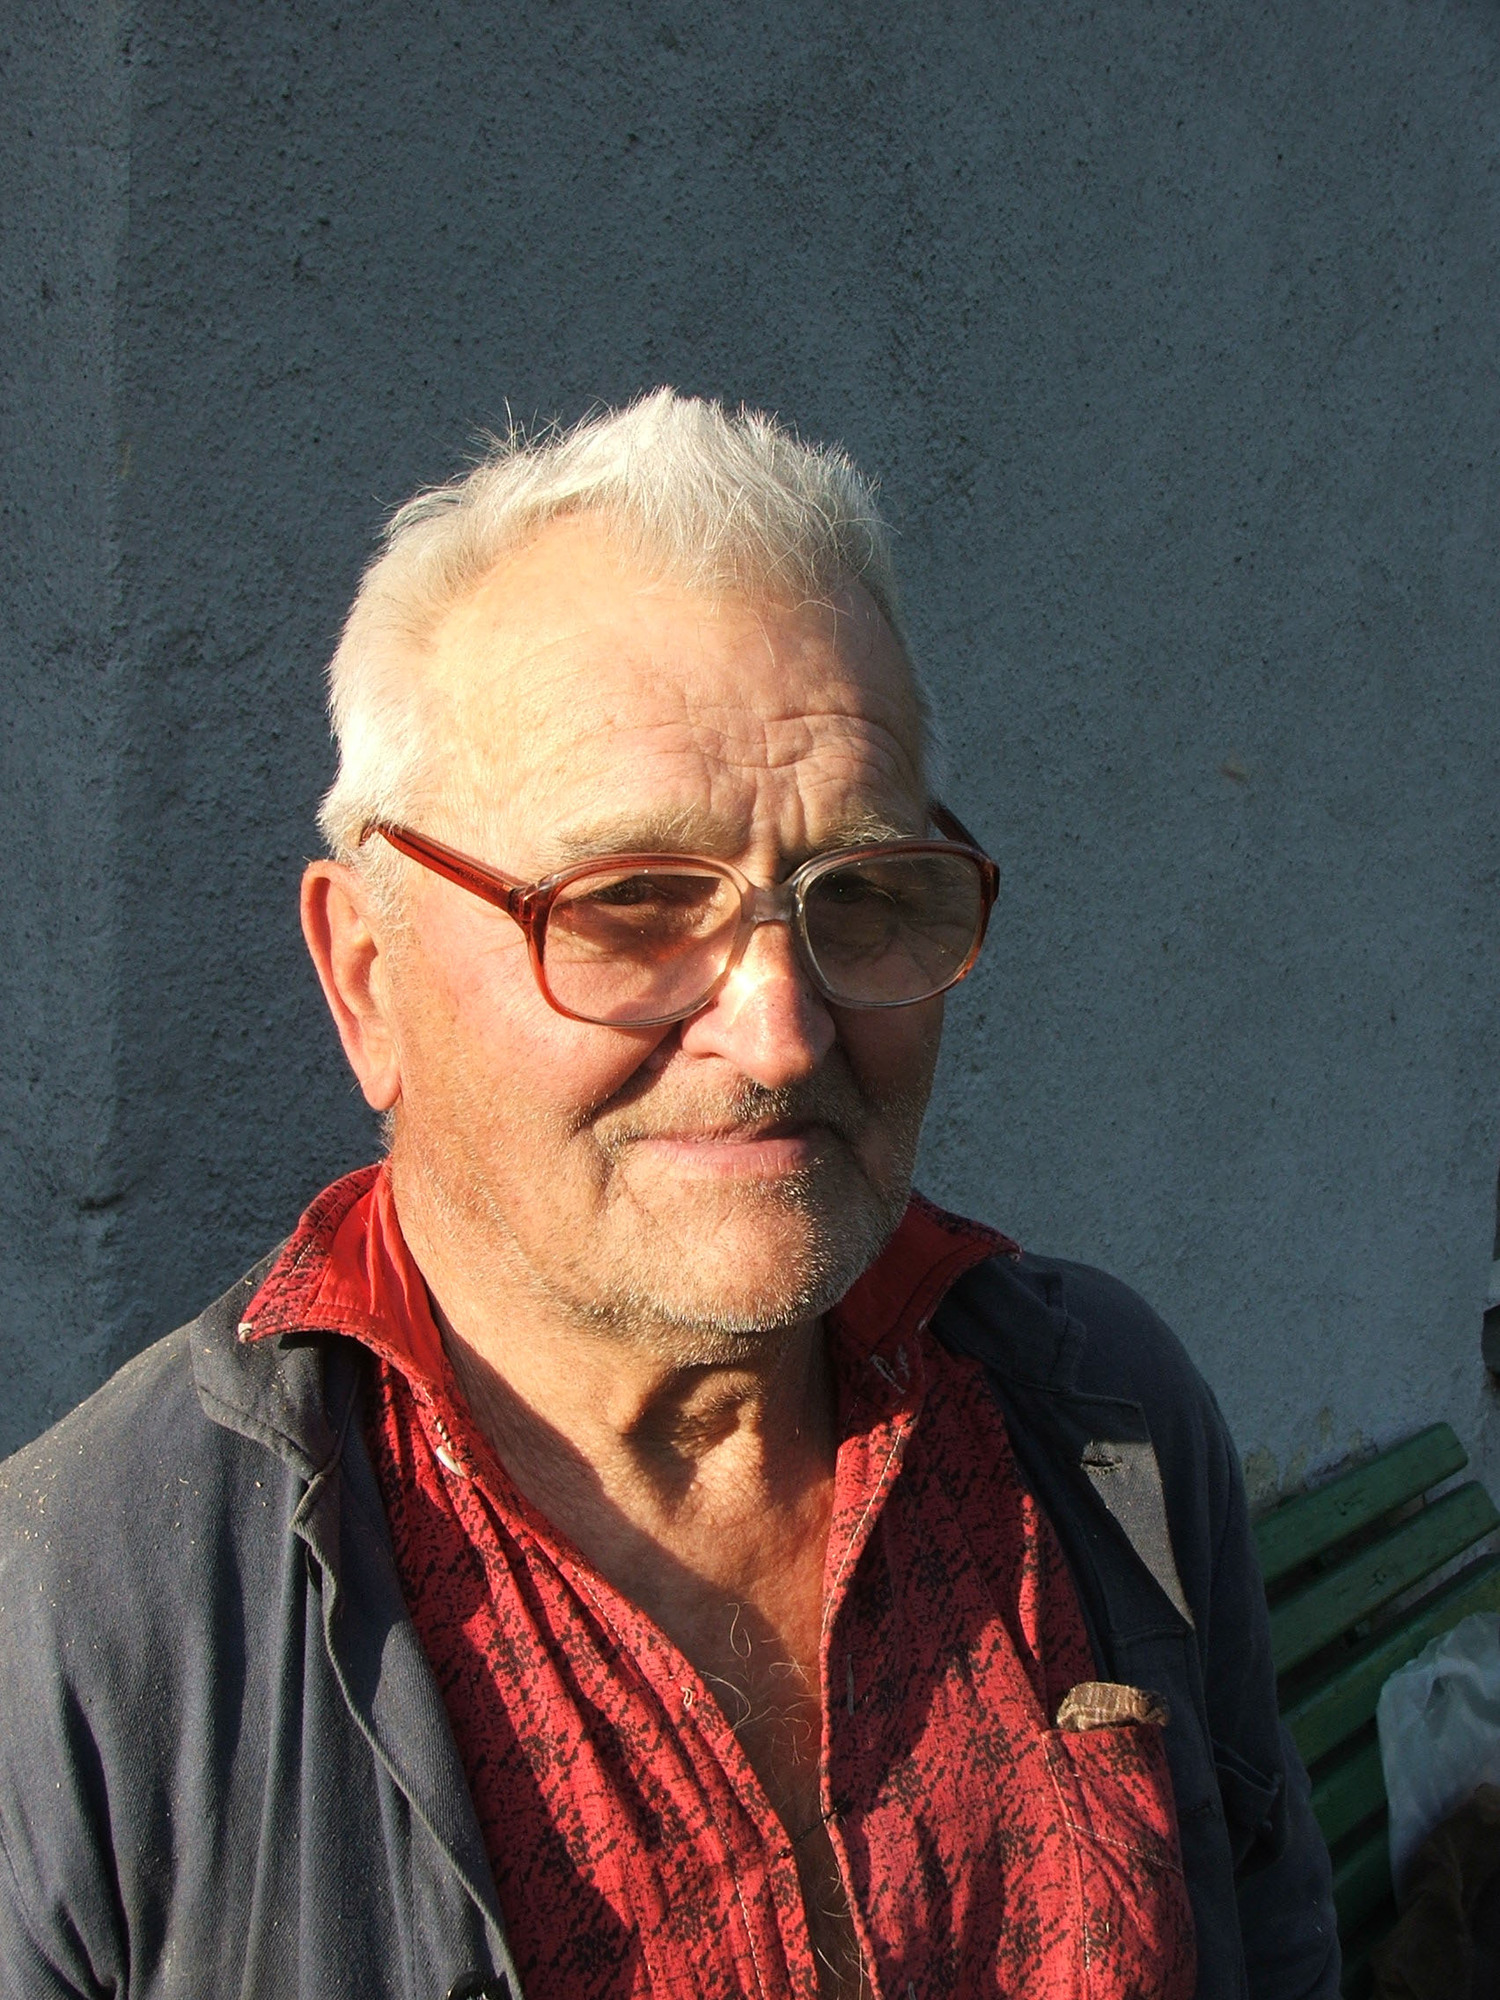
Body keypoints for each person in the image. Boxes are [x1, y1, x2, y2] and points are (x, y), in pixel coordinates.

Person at [0, 391, 1338, 1999]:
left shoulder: (1103, 1419)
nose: (781, 1033)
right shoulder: (83, 1630)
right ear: (367, 977)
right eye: (631, 904)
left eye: (863, 891)